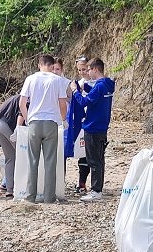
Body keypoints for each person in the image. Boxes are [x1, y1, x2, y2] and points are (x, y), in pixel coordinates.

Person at [19, 54, 68, 203]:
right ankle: (49, 197)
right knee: (50, 161)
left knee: (33, 160)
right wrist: (63, 119)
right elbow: (62, 103)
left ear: (39, 65)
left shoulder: (31, 79)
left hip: (34, 121)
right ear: (53, 66)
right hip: (51, 122)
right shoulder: (58, 80)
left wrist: (28, 118)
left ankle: (30, 196)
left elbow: (22, 103)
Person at [72, 58, 115, 202]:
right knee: (99, 159)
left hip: (93, 126)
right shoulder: (107, 84)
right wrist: (85, 89)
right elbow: (96, 96)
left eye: (89, 69)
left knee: (94, 160)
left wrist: (75, 92)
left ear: (95, 69)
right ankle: (98, 189)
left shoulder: (100, 86)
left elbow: (86, 101)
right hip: (102, 127)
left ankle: (96, 191)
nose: (87, 72)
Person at [66, 56, 92, 194]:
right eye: (80, 70)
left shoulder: (96, 83)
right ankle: (81, 184)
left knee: (92, 155)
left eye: (85, 69)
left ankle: (92, 184)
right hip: (81, 122)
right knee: (82, 152)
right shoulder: (78, 83)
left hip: (93, 121)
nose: (82, 72)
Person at [0, 94, 24, 198]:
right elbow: (21, 113)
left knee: (10, 157)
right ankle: (23, 187)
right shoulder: (26, 97)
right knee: (22, 154)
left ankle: (9, 189)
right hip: (6, 125)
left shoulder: (17, 96)